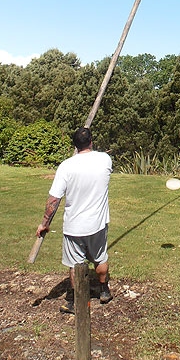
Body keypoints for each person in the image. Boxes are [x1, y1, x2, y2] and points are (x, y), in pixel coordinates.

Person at [36, 127, 113, 314]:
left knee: (75, 264)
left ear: (75, 145)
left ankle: (74, 300)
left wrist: (45, 223)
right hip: (97, 224)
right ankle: (104, 290)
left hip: (74, 227)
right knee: (100, 257)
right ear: (92, 142)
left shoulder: (66, 167)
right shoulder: (105, 160)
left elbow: (53, 200)